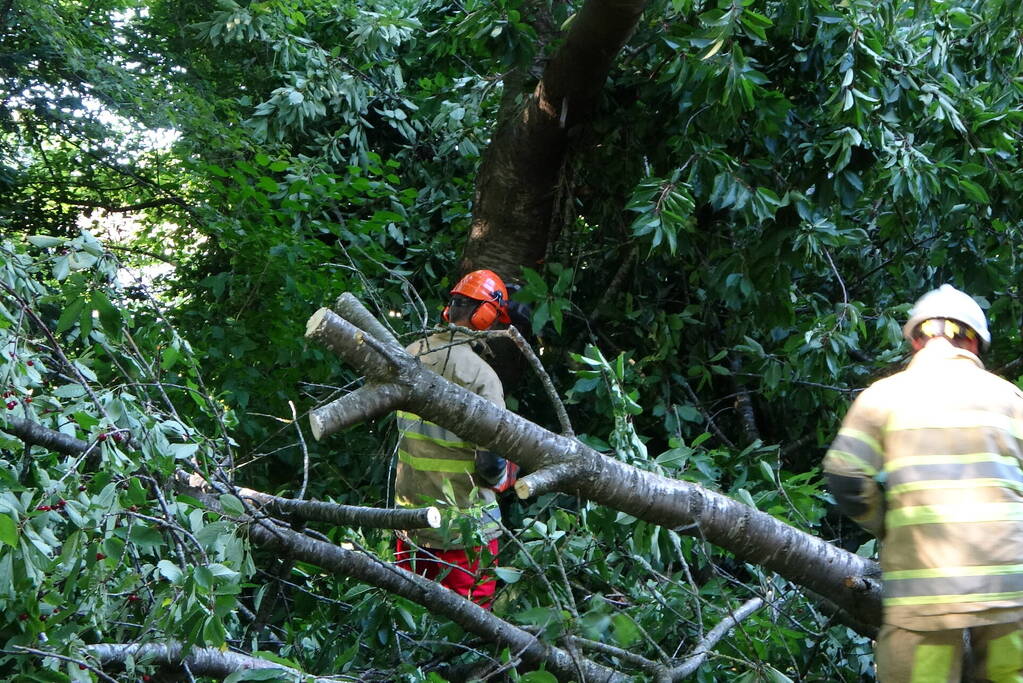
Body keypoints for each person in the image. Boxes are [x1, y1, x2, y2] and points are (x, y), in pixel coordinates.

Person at [823, 284, 1023, 682]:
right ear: (975, 344)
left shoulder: (884, 397)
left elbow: (845, 477)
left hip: (926, 592)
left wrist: (885, 525)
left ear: (916, 341)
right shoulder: (1013, 399)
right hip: (1012, 589)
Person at [393, 269, 518, 608]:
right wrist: (505, 475)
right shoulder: (481, 377)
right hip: (466, 529)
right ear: (485, 315)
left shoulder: (410, 353)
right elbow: (491, 463)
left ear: (450, 310)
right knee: (467, 628)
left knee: (410, 616)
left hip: (412, 519)